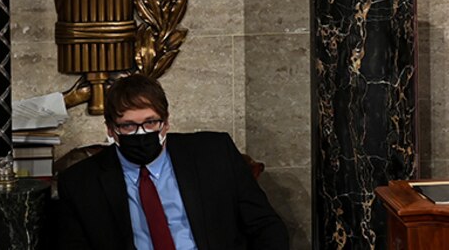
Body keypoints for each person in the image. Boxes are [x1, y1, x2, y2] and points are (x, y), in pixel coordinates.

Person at [56, 74, 289, 250]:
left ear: (165, 123)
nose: (140, 133)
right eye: (128, 125)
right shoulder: (80, 183)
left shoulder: (215, 154)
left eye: (150, 123)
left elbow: (267, 227)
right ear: (111, 130)